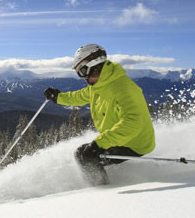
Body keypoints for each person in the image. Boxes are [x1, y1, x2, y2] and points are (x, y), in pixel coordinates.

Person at [44, 44, 155, 185]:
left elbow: (133, 122)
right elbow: (78, 96)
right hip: (121, 139)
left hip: (134, 144)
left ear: (95, 66)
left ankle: (101, 192)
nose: (82, 77)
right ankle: (100, 184)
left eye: (82, 71)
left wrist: (100, 144)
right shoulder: (99, 85)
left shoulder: (124, 89)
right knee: (81, 153)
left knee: (86, 156)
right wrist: (57, 97)